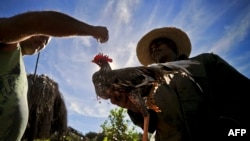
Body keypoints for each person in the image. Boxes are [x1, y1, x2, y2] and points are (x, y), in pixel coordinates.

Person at [110, 27, 250, 141]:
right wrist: (133, 107)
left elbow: (243, 94)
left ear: (171, 45)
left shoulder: (205, 62)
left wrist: (233, 131)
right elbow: (152, 125)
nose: (154, 49)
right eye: (152, 49)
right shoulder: (150, 86)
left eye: (158, 45)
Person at [0, 10, 108, 141]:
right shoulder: (7, 42)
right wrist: (91, 30)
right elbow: (36, 22)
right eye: (41, 33)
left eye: (46, 41)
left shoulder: (19, 65)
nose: (43, 40)